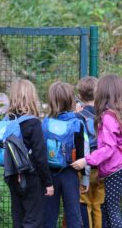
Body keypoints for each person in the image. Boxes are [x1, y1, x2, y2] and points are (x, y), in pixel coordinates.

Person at [72, 74, 122, 228]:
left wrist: (86, 160)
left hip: (114, 170)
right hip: (113, 169)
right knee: (106, 208)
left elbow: (108, 148)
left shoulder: (108, 117)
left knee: (111, 211)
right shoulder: (117, 115)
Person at [5, 79, 54, 228]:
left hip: (12, 175)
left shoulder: (8, 121)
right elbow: (40, 156)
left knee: (18, 219)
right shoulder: (33, 123)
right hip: (31, 177)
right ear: (32, 96)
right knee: (33, 220)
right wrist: (48, 182)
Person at [42, 81, 89, 228]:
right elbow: (83, 152)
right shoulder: (78, 123)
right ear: (71, 100)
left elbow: (40, 151)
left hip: (50, 175)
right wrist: (85, 177)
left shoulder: (45, 123)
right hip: (70, 172)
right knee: (74, 216)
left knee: (49, 217)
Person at [76, 76, 106, 228]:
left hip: (83, 167)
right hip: (102, 166)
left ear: (80, 96)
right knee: (98, 204)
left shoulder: (77, 117)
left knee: (85, 203)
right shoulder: (105, 115)